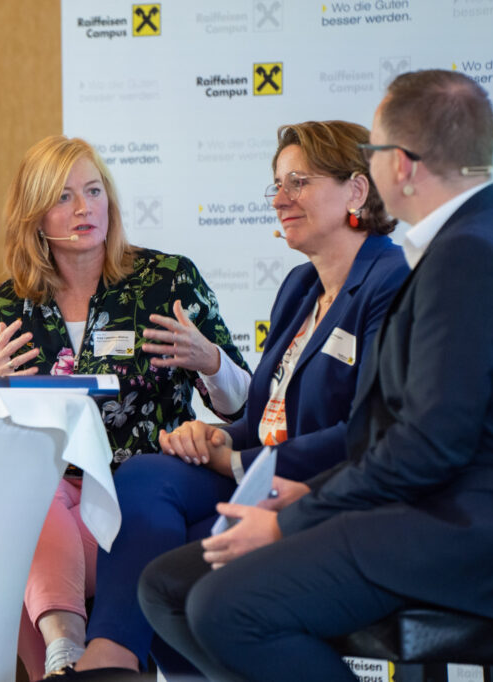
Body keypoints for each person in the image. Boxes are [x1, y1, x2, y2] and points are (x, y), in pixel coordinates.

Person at [139, 69, 493, 681]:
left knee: (226, 604)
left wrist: (295, 517)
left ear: (400, 164)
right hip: (449, 512)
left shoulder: (470, 257)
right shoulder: (481, 240)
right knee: (173, 584)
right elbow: (409, 432)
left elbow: (428, 447)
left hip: (489, 538)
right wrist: (314, 493)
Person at [70, 121, 410, 679]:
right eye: (276, 184)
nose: (279, 200)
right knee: (142, 476)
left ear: (356, 190)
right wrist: (218, 436)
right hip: (257, 469)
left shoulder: (388, 283)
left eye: (297, 182)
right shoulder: (300, 287)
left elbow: (369, 430)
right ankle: (112, 658)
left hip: (322, 486)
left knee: (174, 568)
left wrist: (237, 459)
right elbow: (266, 413)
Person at [0, 135, 252, 680]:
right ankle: (66, 649)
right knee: (24, 482)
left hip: (137, 503)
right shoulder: (11, 304)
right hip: (49, 503)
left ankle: (66, 655)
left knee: (19, 517)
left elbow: (243, 404)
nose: (84, 209)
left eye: (94, 191)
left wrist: (210, 360)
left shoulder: (166, 281)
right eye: (64, 197)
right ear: (34, 216)